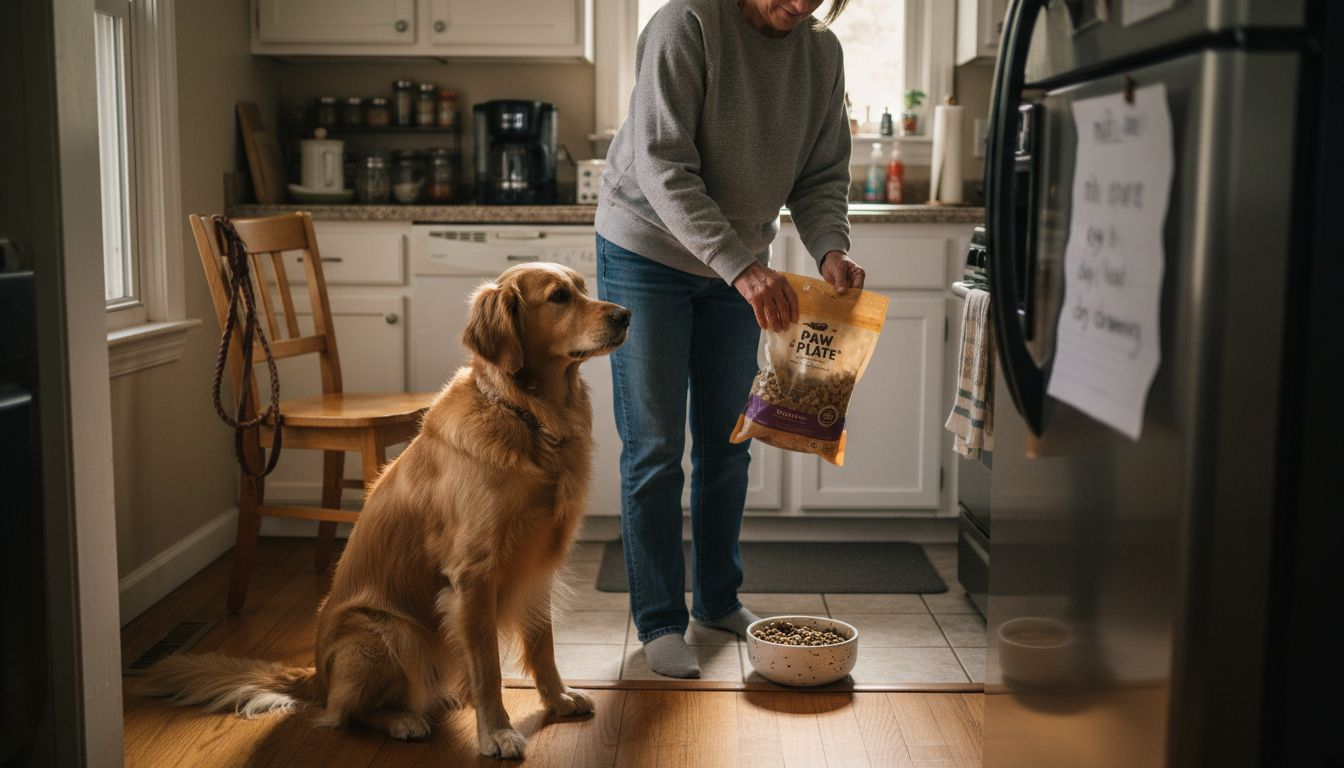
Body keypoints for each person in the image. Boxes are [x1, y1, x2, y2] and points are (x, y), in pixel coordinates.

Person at [594, 0, 866, 679]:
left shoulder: (820, 54)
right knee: (655, 447)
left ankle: (717, 599)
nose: (800, 6)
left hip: (738, 265)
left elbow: (821, 175)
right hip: (648, 252)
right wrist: (742, 267)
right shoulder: (686, 24)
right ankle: (659, 618)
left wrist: (830, 248)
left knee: (724, 442)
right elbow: (662, 164)